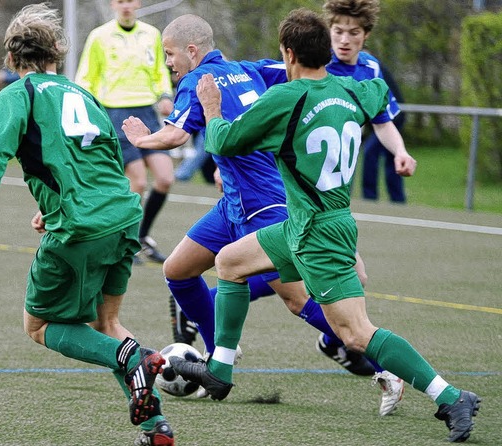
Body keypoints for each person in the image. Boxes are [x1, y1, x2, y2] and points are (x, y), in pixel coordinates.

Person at [171, 9, 481, 443]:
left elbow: (222, 140)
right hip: (302, 222)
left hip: (319, 231)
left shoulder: (287, 98)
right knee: (229, 262)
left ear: (289, 53)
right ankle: (219, 369)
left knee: (355, 333)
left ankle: (449, 395)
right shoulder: (353, 88)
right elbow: (378, 96)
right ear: (326, 52)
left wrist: (211, 108)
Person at [121, 13, 400, 410]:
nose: (169, 63)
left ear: (192, 51)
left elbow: (178, 134)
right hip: (233, 202)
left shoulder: (198, 82)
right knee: (178, 271)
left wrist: (141, 139)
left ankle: (384, 367)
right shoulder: (250, 68)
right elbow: (302, 71)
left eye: (170, 54)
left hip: (265, 204)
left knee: (298, 300)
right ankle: (220, 354)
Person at [0, 4, 174, 445]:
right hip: (123, 217)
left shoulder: (15, 96)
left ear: (11, 59)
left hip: (81, 228)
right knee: (108, 322)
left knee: (39, 325)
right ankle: (156, 428)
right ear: (55, 56)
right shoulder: (84, 95)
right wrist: (53, 203)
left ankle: (137, 355)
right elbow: (106, 159)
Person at [75, 0, 174, 264]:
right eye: (120, 1)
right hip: (115, 114)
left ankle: (141, 237)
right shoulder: (99, 36)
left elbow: (159, 72)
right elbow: (86, 78)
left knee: (165, 178)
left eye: (130, 0)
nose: (126, 6)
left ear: (137, 3)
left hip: (147, 114)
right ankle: (125, 241)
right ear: (113, 4)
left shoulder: (151, 34)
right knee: (138, 182)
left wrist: (165, 95)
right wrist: (89, 111)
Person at [324, 0, 406, 203]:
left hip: (343, 164)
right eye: (338, 31)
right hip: (301, 163)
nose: (344, 40)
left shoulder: (371, 69)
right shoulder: (314, 61)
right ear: (329, 30)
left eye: (353, 33)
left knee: (335, 226)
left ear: (366, 34)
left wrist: (400, 151)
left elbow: (382, 122)